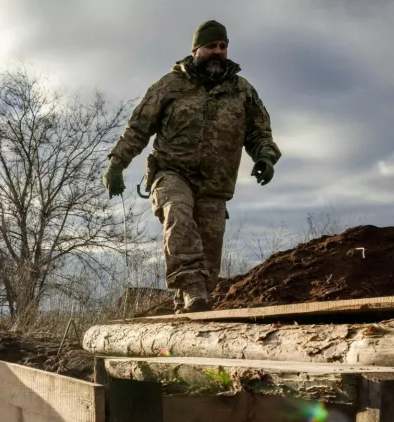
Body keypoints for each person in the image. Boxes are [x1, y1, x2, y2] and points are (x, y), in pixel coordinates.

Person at [103, 20, 281, 313]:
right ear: (197, 49)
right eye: (211, 46)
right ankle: (191, 288)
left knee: (208, 266)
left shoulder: (242, 90)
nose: (218, 52)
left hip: (215, 185)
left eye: (223, 47)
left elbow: (259, 131)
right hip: (171, 172)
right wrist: (116, 164)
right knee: (178, 216)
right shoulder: (170, 85)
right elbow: (138, 127)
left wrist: (265, 156)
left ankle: (185, 310)